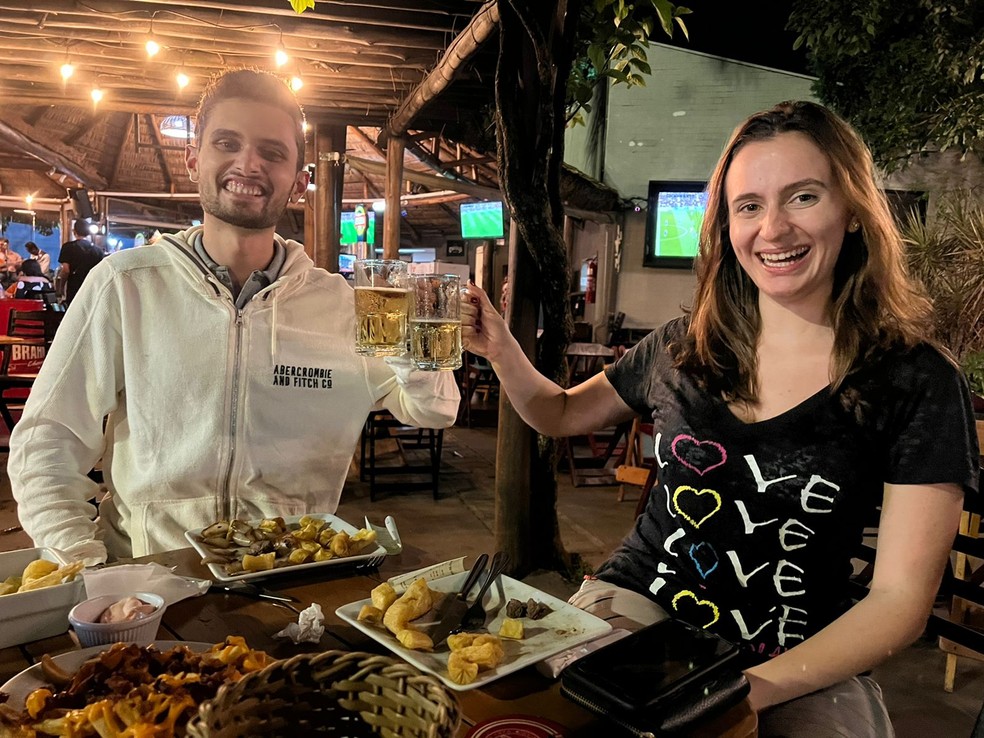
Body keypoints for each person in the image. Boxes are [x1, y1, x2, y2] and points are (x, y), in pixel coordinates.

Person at [460, 101, 979, 736]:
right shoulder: (685, 343)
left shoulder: (916, 379)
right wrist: (501, 349)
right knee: (531, 718)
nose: (774, 229)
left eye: (804, 197)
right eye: (750, 206)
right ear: (726, 226)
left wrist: (735, 692)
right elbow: (559, 413)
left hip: (796, 652)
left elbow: (900, 603)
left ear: (851, 211)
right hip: (640, 600)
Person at [9, 68, 459, 566]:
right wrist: (83, 564)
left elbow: (431, 410)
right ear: (192, 158)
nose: (249, 164)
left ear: (299, 180)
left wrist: (422, 341)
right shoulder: (125, 284)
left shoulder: (340, 304)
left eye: (273, 152)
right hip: (153, 577)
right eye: (227, 142)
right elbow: (48, 441)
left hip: (298, 574)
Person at [56, 218, 105, 306]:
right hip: (92, 288)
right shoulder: (98, 251)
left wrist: (61, 288)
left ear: (74, 231)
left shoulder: (68, 247)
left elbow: (66, 270)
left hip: (74, 287)